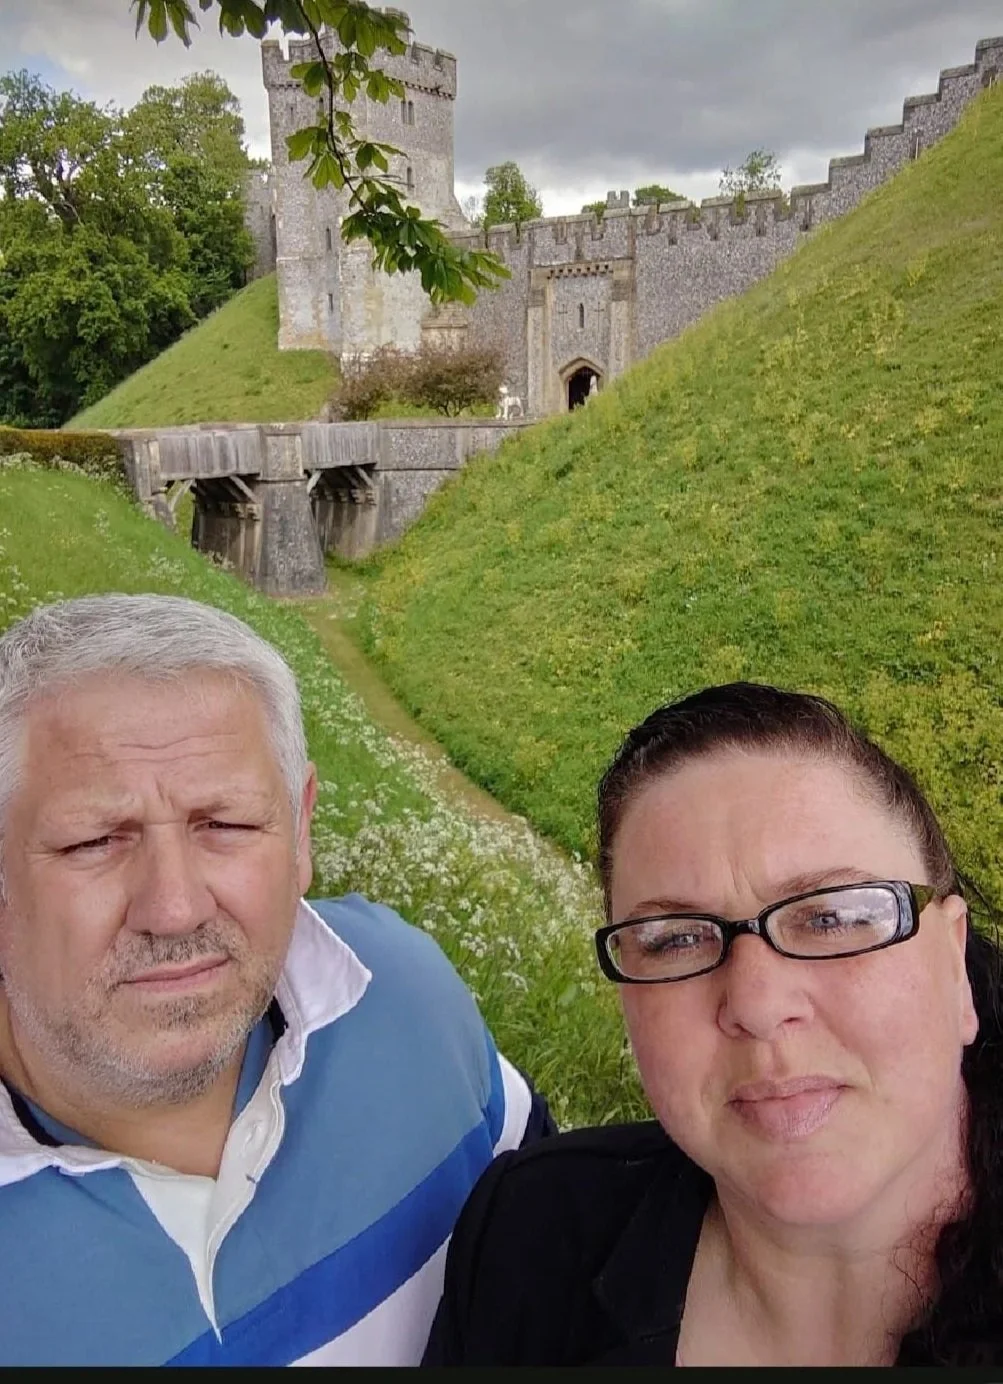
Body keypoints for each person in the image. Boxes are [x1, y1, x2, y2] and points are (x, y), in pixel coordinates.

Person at [0, 594, 552, 1367]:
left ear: (300, 831)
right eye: (94, 840)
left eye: (224, 825)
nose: (174, 907)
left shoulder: (402, 993)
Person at [424, 682, 1003, 1367]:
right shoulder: (529, 1236)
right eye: (674, 939)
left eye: (831, 918)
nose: (755, 1005)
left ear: (953, 962)